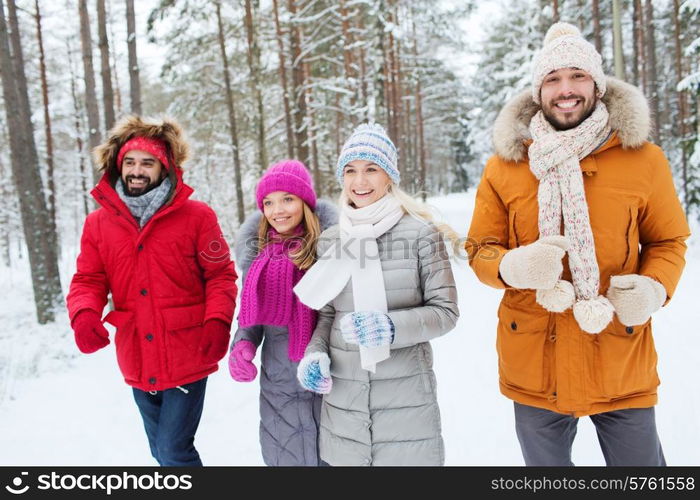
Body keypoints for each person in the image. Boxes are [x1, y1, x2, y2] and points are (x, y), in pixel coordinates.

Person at [466, 22, 690, 466]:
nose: (565, 89)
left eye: (577, 76)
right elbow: (479, 248)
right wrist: (513, 266)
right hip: (534, 361)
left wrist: (653, 288)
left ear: (597, 84)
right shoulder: (506, 165)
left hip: (619, 355)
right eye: (553, 79)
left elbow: (668, 241)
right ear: (538, 90)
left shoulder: (643, 157)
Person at [66, 115, 237, 466]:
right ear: (118, 166)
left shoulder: (197, 217)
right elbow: (88, 279)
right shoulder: (97, 224)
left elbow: (220, 275)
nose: (137, 171)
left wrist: (218, 321)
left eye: (147, 163)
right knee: (160, 451)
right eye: (130, 162)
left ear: (165, 168)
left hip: (188, 350)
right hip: (136, 353)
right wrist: (84, 314)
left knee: (174, 450)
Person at [293, 123, 459, 466]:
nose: (360, 181)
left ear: (389, 177)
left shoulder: (421, 234)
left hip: (406, 406)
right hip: (344, 407)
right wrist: (315, 353)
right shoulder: (330, 239)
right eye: (351, 171)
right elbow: (327, 315)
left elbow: (446, 312)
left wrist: (391, 327)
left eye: (371, 169)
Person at [228, 160, 338, 466]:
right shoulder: (258, 258)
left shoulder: (331, 251)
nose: (278, 210)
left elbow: (340, 313)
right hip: (279, 387)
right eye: (269, 202)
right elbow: (251, 314)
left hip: (329, 380)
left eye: (287, 199)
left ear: (305, 202)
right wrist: (243, 345)